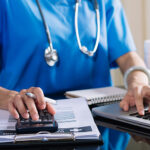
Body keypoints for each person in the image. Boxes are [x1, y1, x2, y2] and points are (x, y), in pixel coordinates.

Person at [0, 0, 150, 149]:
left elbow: (128, 56)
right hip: (29, 125)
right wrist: (8, 97)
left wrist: (138, 82)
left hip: (100, 129)